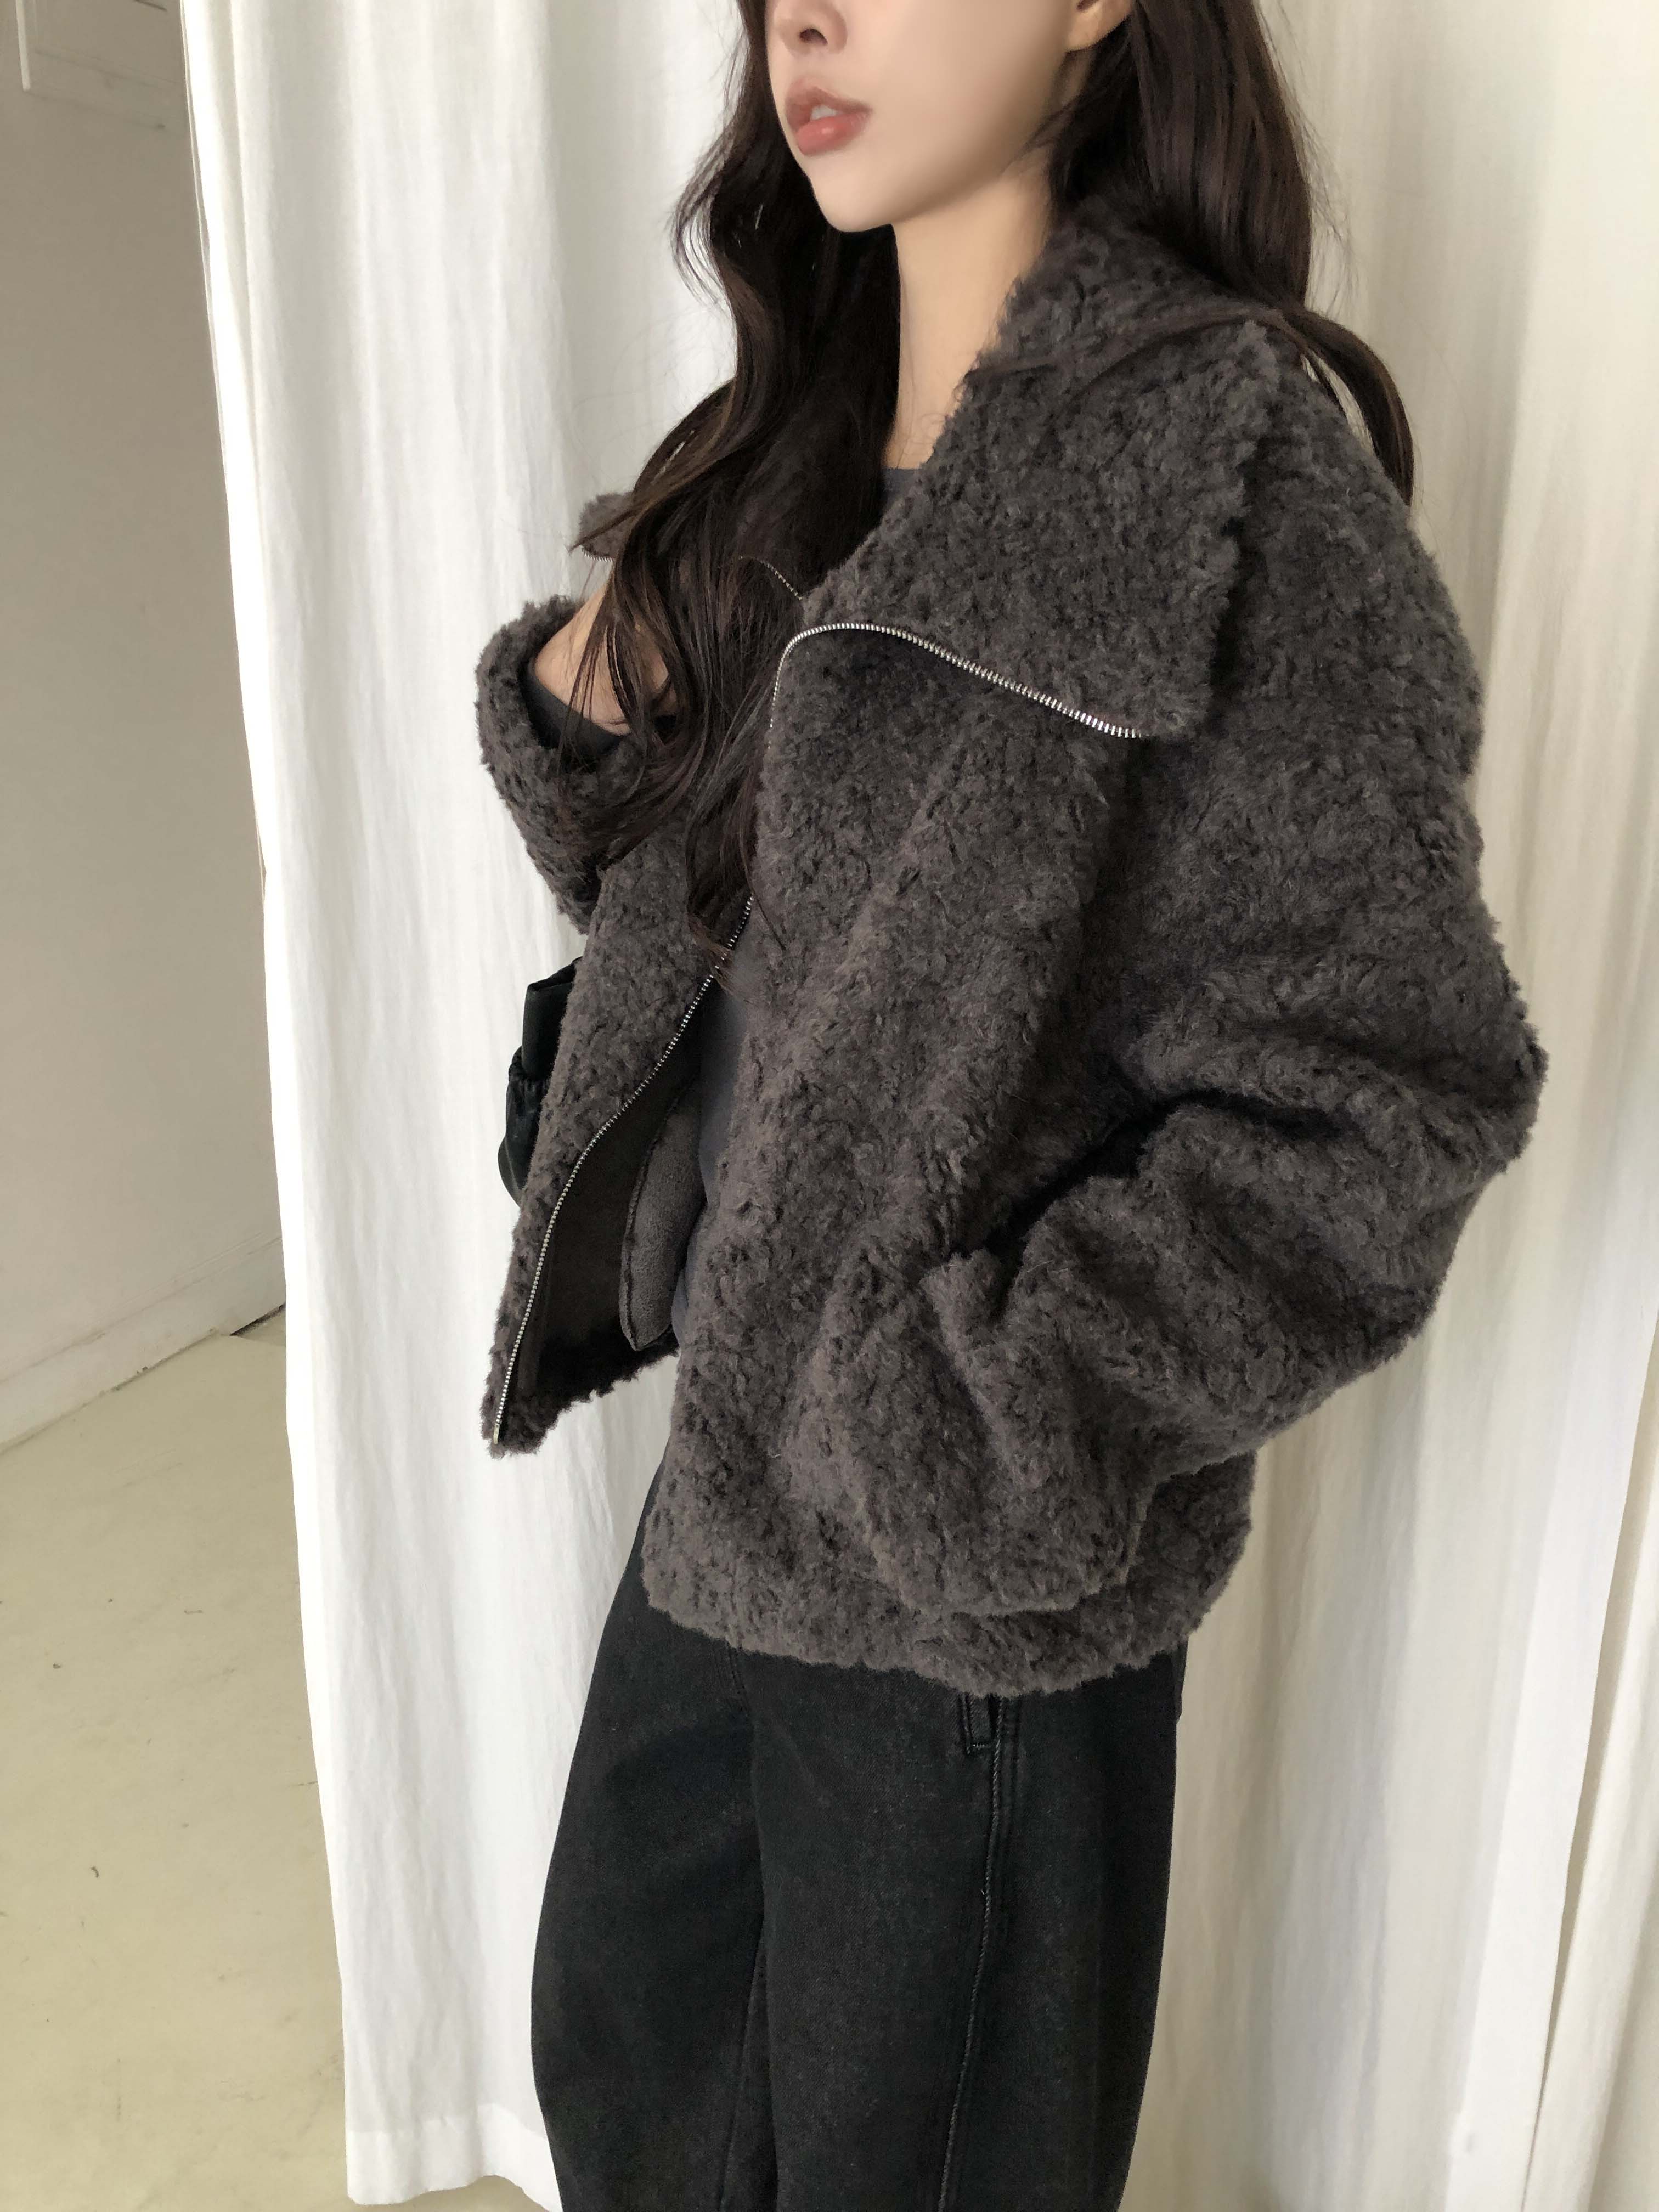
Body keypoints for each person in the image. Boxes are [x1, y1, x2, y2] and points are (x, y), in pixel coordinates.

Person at [471, 2, 1549, 2204]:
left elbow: (1387, 1094)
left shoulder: (1225, 474)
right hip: (722, 1516)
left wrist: (970, 1428)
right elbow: (771, 949)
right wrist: (597, 710)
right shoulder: (776, 459)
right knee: (628, 2082)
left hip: (960, 1595)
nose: (807, 17)